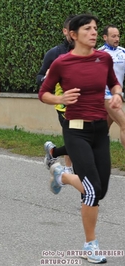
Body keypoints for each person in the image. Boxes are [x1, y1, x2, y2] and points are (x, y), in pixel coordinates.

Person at [38, 14, 122, 264]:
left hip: (100, 131)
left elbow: (114, 84)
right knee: (91, 191)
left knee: (102, 190)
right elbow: (43, 92)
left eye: (96, 28)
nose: (94, 33)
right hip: (75, 130)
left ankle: (61, 175)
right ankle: (90, 244)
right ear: (73, 34)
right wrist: (60, 99)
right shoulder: (62, 63)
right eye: (87, 29)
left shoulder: (104, 58)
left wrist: (117, 95)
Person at [36, 15, 75, 173]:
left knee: (79, 140)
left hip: (85, 104)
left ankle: (54, 154)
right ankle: (69, 169)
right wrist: (47, 77)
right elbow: (39, 79)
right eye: (72, 30)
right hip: (64, 106)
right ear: (65, 31)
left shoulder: (88, 52)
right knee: (75, 139)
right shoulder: (55, 53)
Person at [98, 25, 125, 148]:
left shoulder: (123, 52)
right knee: (124, 124)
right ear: (105, 37)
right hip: (106, 97)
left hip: (117, 96)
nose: (117, 39)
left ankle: (91, 154)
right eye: (113, 36)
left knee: (101, 131)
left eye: (118, 36)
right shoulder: (99, 53)